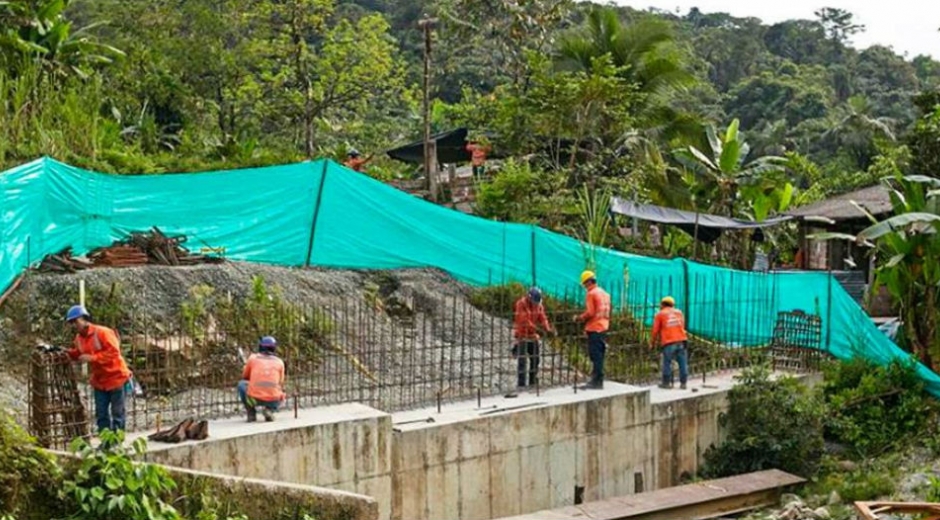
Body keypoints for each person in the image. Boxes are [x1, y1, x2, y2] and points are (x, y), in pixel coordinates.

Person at [65, 305, 132, 434]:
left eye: (75, 321)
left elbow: (114, 351)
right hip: (100, 381)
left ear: (84, 319)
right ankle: (105, 442)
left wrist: (93, 358)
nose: (74, 325)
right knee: (101, 414)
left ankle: (117, 442)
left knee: (117, 413)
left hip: (116, 377)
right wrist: (66, 354)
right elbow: (78, 353)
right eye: (71, 323)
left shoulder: (102, 332)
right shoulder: (78, 339)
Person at [574, 270, 611, 389]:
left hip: (595, 327)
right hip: (604, 326)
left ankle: (596, 381)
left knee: (595, 355)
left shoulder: (591, 294)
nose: (585, 287)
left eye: (585, 284)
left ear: (589, 282)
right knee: (600, 354)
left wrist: (579, 318)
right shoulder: (605, 293)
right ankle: (598, 380)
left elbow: (590, 312)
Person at [512, 287, 554, 389]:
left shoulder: (538, 305)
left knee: (535, 359)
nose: (536, 304)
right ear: (529, 297)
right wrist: (538, 329)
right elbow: (524, 320)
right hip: (522, 335)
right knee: (522, 361)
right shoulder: (521, 304)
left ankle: (532, 382)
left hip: (533, 335)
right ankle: (521, 385)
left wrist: (547, 328)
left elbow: (542, 317)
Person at [238, 336, 286, 422]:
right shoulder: (280, 362)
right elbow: (280, 382)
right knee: (281, 391)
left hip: (254, 400)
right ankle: (270, 409)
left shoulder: (252, 358)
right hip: (273, 400)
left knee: (241, 384)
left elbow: (245, 377)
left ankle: (251, 412)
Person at [650, 296, 689, 390]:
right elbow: (682, 326)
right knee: (682, 362)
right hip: (681, 340)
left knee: (666, 362)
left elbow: (655, 330)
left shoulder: (660, 314)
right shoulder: (679, 312)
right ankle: (683, 383)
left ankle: (666, 383)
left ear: (663, 304)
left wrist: (652, 343)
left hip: (669, 341)